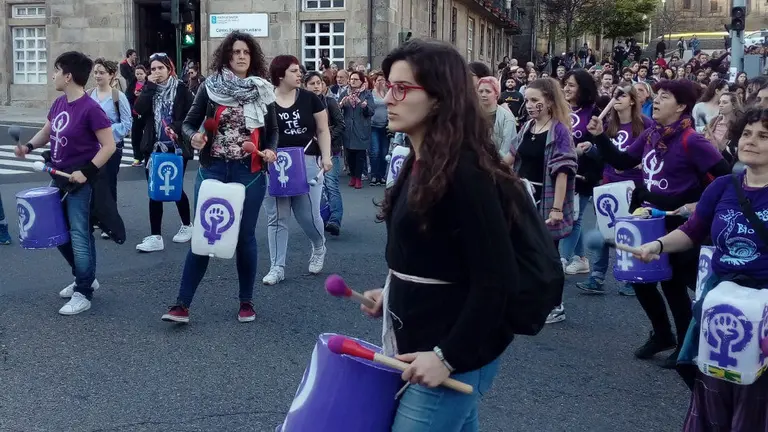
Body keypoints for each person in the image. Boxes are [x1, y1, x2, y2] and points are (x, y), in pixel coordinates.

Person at [361, 38, 524, 432]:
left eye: (402, 88)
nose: (389, 98)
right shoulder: (422, 161)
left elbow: (497, 278)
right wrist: (393, 290)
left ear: (438, 98)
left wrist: (448, 356)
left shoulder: (467, 174)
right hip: (418, 339)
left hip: (453, 350)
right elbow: (432, 256)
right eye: (388, 86)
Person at [636, 107, 768, 429]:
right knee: (711, 382)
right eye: (747, 134)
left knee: (756, 392)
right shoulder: (723, 187)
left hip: (764, 307)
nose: (751, 141)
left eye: (763, 136)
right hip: (721, 301)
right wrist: (658, 245)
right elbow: (693, 230)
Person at [586, 79, 731, 368]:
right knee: (641, 278)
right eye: (659, 96)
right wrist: (600, 137)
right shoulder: (653, 133)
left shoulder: (693, 140)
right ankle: (662, 334)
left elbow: (725, 177)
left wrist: (693, 205)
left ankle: (687, 346)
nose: (658, 101)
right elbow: (624, 161)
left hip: (680, 224)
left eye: (665, 97)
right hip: (649, 220)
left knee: (675, 284)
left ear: (681, 106)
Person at [161, 31, 278, 323]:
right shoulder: (210, 87)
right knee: (203, 235)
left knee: (245, 237)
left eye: (246, 52)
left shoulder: (263, 89)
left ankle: (246, 302)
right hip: (213, 169)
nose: (240, 56)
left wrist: (270, 151)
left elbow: (273, 131)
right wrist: (195, 137)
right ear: (226, 56)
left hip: (248, 171)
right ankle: (181, 305)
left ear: (252, 58)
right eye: (235, 52)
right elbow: (189, 123)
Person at [14, 51, 117, 315]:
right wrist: (28, 145)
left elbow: (109, 146)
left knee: (80, 234)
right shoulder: (60, 103)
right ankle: (84, 276)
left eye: (57, 70)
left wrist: (87, 171)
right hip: (58, 176)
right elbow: (48, 131)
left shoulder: (91, 109)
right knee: (57, 231)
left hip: (80, 180)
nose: (53, 75)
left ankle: (84, 291)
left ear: (69, 76)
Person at [506, 77, 577, 324]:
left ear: (549, 101)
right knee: (523, 250)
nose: (529, 105)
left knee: (549, 255)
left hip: (546, 200)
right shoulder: (528, 127)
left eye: (535, 100)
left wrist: (557, 208)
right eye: (527, 100)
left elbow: (563, 172)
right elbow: (511, 157)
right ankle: (529, 299)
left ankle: (556, 305)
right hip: (524, 198)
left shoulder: (559, 131)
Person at [262, 55, 332, 286]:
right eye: (294, 71)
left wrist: (326, 156)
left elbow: (323, 130)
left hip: (307, 161)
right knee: (277, 217)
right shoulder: (265, 99)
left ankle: (319, 244)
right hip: (274, 164)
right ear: (280, 75)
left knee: (307, 215)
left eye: (299, 70)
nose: (300, 74)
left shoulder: (310, 98)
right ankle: (277, 267)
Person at [576, 85, 653, 296]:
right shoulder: (608, 125)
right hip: (609, 183)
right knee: (604, 229)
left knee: (629, 232)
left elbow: (652, 153)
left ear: (632, 101)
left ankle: (631, 278)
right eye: (615, 96)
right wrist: (590, 149)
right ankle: (597, 277)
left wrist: (640, 164)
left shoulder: (646, 125)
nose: (617, 99)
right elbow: (604, 156)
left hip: (634, 186)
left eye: (622, 96)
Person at [133, 53, 195, 253]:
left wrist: (176, 127)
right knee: (155, 191)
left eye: (161, 68)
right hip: (154, 147)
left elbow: (191, 117)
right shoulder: (149, 90)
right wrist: (149, 88)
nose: (157, 72)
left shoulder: (182, 90)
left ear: (169, 69)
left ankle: (187, 225)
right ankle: (155, 236)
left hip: (176, 147)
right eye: (153, 69)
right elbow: (139, 111)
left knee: (175, 188)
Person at [89, 58, 132, 236]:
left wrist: (105, 132)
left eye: (102, 73)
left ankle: (110, 221)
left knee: (108, 182)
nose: (98, 76)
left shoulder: (117, 96)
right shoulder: (88, 94)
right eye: (96, 72)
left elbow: (127, 123)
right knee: (91, 182)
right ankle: (94, 217)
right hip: (91, 148)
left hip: (112, 147)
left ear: (111, 75)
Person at [305, 72, 346, 236]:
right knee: (316, 188)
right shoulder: (302, 105)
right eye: (312, 83)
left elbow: (340, 125)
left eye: (318, 83)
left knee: (331, 185)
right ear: (305, 86)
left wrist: (325, 138)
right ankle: (324, 216)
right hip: (311, 154)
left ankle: (335, 220)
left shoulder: (330, 102)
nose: (316, 86)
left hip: (331, 151)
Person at [340, 70, 375, 189]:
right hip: (348, 129)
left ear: (361, 81)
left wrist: (364, 106)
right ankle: (353, 177)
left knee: (360, 155)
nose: (353, 81)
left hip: (361, 129)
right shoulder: (345, 93)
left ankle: (359, 178)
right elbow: (338, 112)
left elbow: (371, 111)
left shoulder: (367, 94)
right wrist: (341, 105)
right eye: (351, 79)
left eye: (355, 79)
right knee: (349, 155)